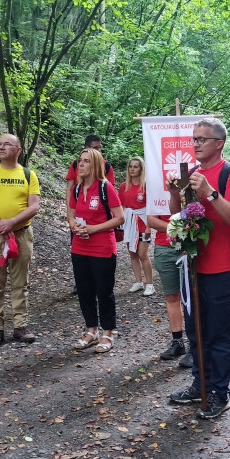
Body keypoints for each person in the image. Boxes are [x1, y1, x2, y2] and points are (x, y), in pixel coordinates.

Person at [166, 118, 230, 419]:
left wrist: (212, 193)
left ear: (219, 143)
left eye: (202, 139)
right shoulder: (192, 173)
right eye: (194, 139)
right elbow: (179, 214)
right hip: (192, 266)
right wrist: (174, 192)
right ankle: (200, 385)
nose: (196, 144)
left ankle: (220, 393)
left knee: (217, 334)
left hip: (219, 268)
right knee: (195, 331)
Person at [0, 134, 41, 347]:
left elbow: (34, 206)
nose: (1, 147)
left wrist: (11, 222)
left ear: (18, 150)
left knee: (20, 282)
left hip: (21, 234)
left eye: (7, 144)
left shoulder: (28, 175)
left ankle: (21, 326)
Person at [68, 148, 125, 353]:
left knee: (103, 291)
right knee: (84, 290)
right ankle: (91, 330)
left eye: (85, 161)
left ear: (95, 165)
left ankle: (107, 332)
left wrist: (93, 229)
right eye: (79, 161)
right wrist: (74, 226)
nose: (80, 165)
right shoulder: (77, 188)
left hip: (102, 247)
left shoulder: (105, 187)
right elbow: (71, 213)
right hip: (79, 246)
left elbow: (120, 218)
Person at [66, 135, 115, 294]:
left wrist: (95, 226)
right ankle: (81, 283)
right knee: (84, 288)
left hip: (101, 233)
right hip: (79, 224)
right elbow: (70, 189)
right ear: (87, 147)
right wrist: (72, 221)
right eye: (95, 147)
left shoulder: (106, 170)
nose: (99, 150)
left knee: (103, 291)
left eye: (100, 147)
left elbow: (113, 203)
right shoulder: (75, 168)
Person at [148, 213, 190, 367]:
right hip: (165, 247)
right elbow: (151, 220)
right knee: (172, 297)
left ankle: (196, 345)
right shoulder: (155, 193)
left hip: (191, 245)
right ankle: (177, 342)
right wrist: (178, 229)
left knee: (192, 297)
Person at [119, 157, 154, 296]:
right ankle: (138, 281)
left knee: (142, 254)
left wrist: (149, 226)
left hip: (143, 222)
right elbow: (121, 206)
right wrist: (121, 222)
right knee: (132, 253)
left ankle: (150, 284)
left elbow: (151, 207)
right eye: (130, 166)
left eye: (136, 166)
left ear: (141, 169)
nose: (132, 169)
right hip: (130, 223)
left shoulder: (145, 186)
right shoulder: (124, 186)